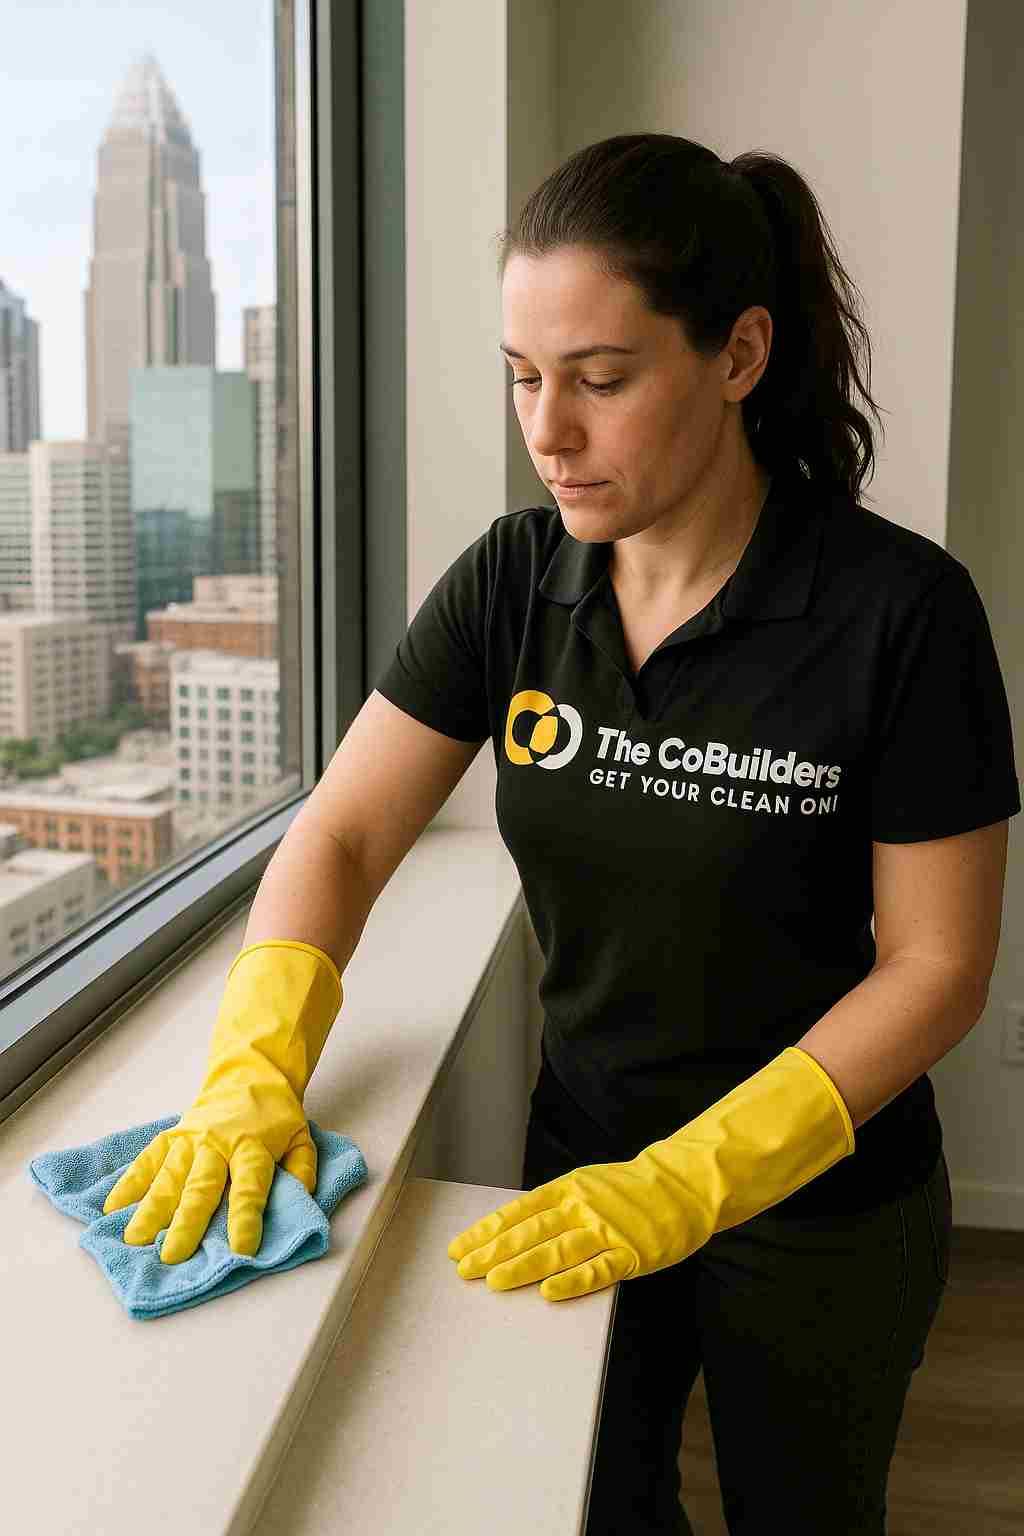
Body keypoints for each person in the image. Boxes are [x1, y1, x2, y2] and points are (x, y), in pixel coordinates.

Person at [103, 135, 1019, 1534]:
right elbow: (344, 831)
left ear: (738, 355)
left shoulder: (901, 613)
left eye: (601, 379)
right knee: (591, 1504)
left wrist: (698, 1178)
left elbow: (937, 965)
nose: (550, 431)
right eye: (525, 380)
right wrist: (254, 1064)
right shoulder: (514, 581)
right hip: (581, 1166)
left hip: (821, 1202)